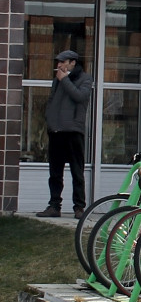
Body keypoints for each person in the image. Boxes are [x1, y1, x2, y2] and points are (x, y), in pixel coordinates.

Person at [38, 50, 94, 219]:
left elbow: (80, 97)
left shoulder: (85, 78)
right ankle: (54, 206)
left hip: (73, 131)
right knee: (55, 172)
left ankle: (79, 208)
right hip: (56, 131)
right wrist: (50, 120)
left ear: (73, 62)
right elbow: (52, 100)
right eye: (58, 62)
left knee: (77, 171)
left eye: (62, 62)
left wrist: (65, 80)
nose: (59, 65)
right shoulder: (58, 80)